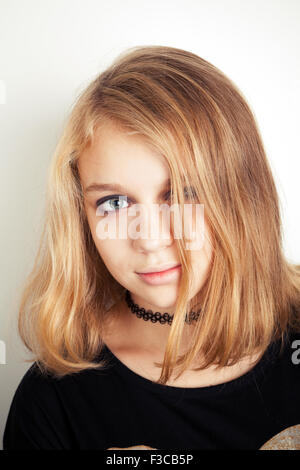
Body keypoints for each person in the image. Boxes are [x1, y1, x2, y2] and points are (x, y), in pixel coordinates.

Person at [3, 45, 300, 450]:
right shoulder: (56, 400)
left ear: (244, 195)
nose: (151, 238)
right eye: (115, 203)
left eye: (182, 193)